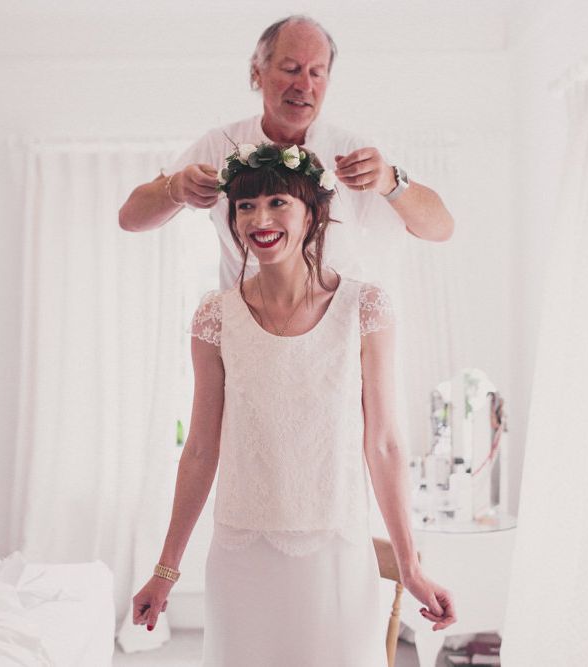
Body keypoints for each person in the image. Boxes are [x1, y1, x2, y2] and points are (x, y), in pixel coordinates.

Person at [131, 142, 456, 665]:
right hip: (240, 554)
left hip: (334, 553)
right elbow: (199, 449)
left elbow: (385, 445)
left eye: (278, 201)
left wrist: (411, 567)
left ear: (313, 214)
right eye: (244, 206)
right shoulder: (215, 317)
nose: (260, 217)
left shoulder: (363, 307)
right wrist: (165, 569)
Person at [118, 14, 454, 290]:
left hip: (336, 333)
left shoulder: (352, 150)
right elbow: (131, 219)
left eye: (316, 73)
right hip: (245, 332)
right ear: (257, 72)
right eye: (291, 69)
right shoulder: (218, 143)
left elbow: (441, 229)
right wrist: (176, 188)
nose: (305, 85)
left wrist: (390, 181)